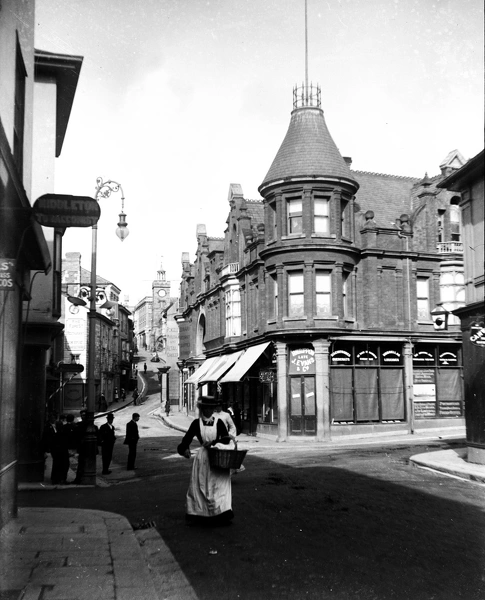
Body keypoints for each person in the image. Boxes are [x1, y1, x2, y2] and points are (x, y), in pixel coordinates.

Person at [177, 396, 235, 526]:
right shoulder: (196, 423)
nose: (207, 410)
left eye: (210, 408)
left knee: (219, 486)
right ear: (201, 409)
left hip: (218, 456)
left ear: (213, 409)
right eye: (205, 408)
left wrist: (214, 443)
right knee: (201, 486)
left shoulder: (219, 422)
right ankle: (200, 514)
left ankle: (222, 514)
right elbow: (186, 439)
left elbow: (226, 439)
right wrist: (184, 449)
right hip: (203, 458)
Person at [42, 412, 69, 484]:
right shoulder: (47, 426)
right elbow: (46, 437)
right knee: (57, 462)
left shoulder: (59, 424)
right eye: (51, 418)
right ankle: (55, 478)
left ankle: (60, 478)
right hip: (54, 447)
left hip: (60, 446)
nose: (53, 419)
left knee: (61, 463)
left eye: (54, 418)